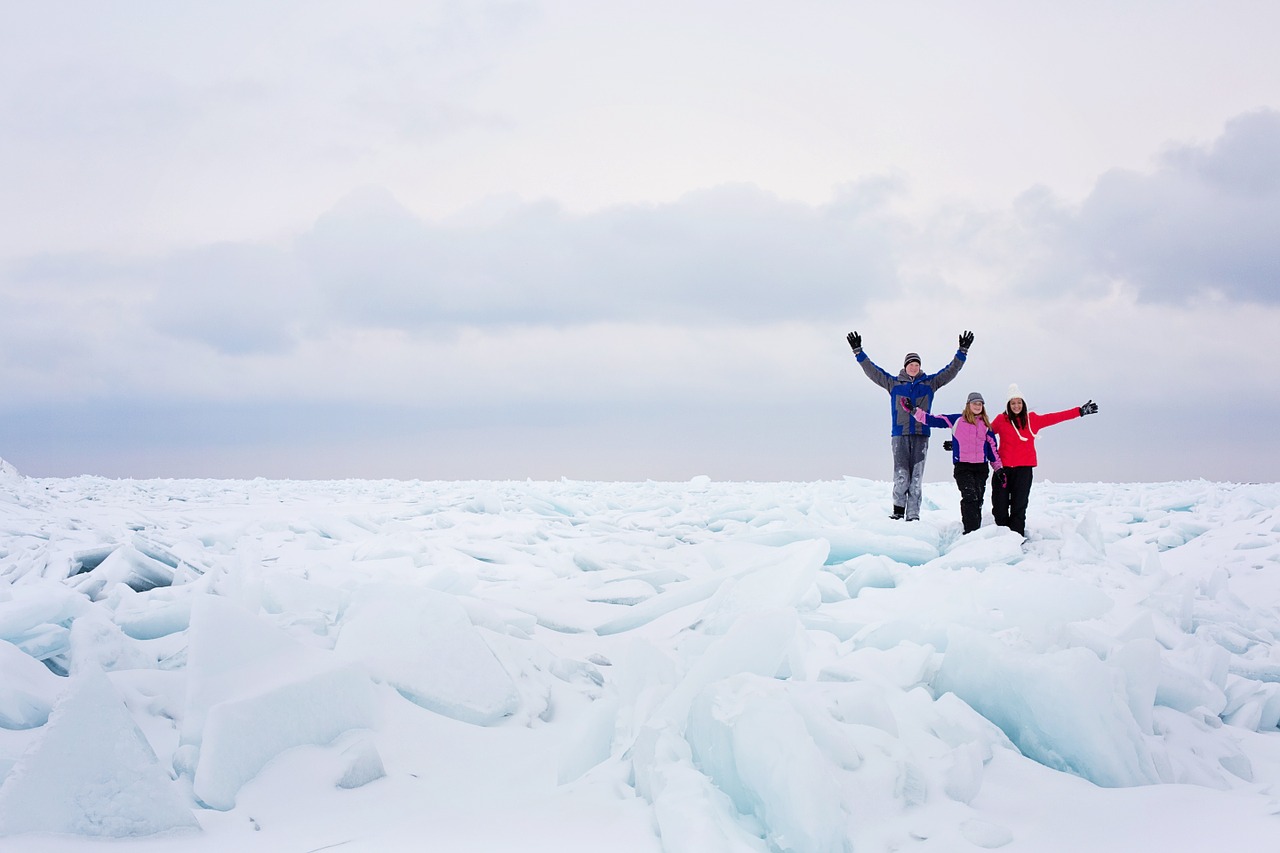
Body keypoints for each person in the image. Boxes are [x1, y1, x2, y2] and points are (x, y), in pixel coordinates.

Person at [847, 330, 973, 520]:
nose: (914, 367)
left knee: (916, 478)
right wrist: (858, 352)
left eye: (916, 364)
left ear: (920, 367)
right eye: (911, 364)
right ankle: (898, 511)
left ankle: (913, 514)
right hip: (900, 435)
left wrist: (961, 352)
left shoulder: (930, 383)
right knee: (901, 475)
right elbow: (873, 371)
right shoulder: (894, 384)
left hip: (921, 435)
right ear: (905, 367)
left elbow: (950, 371)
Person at [989, 384, 1099, 536]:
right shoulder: (1001, 420)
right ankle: (1001, 537)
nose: (1016, 406)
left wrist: (1079, 411)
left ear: (1023, 404)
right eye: (1013, 403)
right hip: (1003, 470)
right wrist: (957, 444)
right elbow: (982, 435)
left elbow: (1055, 417)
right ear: (1008, 405)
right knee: (999, 507)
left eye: (1019, 402)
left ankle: (1015, 538)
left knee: (1018, 507)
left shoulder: (1032, 419)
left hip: (1024, 471)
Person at [902, 392, 1003, 533]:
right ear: (968, 405)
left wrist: (998, 469)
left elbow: (992, 449)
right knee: (970, 497)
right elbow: (933, 420)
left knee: (978, 499)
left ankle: (976, 531)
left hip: (981, 468)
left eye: (980, 404)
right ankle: (970, 531)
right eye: (975, 403)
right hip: (963, 467)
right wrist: (913, 411)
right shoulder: (957, 420)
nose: (977, 406)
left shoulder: (986, 426)